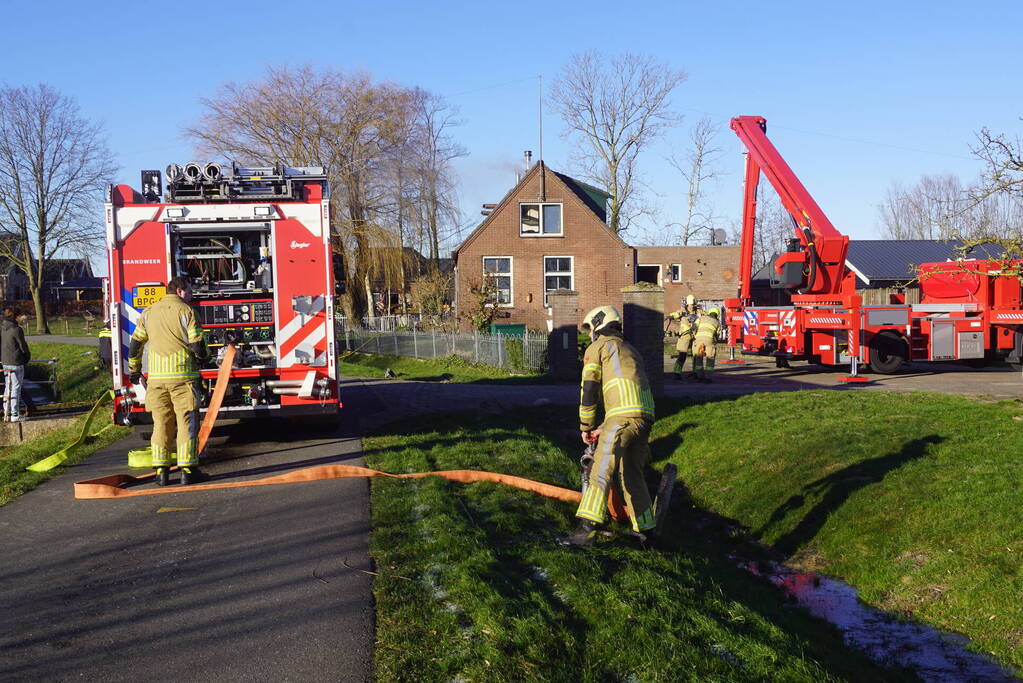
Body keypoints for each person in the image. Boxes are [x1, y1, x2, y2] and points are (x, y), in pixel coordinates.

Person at [560, 305, 657, 547]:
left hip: (622, 419)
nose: (589, 335)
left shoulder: (599, 347)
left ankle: (586, 529)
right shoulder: (630, 349)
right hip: (644, 418)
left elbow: (589, 389)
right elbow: (627, 396)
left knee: (601, 468)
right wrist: (604, 426)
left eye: (590, 330)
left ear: (598, 326)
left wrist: (586, 425)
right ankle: (646, 532)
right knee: (632, 475)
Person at [126, 276, 210, 486]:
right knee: (186, 423)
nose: (192, 295)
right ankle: (188, 470)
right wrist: (205, 358)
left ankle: (161, 472)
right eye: (190, 290)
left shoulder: (148, 312)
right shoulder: (187, 311)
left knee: (161, 424)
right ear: (180, 290)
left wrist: (134, 370)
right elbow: (198, 346)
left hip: (156, 381)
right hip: (183, 378)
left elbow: (135, 345)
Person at [1, 307, 30, 422]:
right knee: (16, 387)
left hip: (5, 361)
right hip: (16, 362)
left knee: (7, 387)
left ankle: (6, 412)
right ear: (16, 316)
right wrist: (26, 357)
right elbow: (23, 346)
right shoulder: (17, 329)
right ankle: (15, 413)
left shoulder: (3, 328)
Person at [665, 294, 702, 380]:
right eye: (690, 305)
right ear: (687, 304)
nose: (691, 306)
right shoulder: (682, 311)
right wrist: (670, 316)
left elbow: (705, 316)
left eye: (692, 305)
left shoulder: (699, 312)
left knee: (696, 355)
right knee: (682, 355)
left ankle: (695, 373)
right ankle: (677, 372)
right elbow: (676, 314)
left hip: (695, 335)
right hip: (685, 335)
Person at [692, 307, 721, 383]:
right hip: (709, 340)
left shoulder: (701, 318)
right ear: (717, 315)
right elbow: (717, 336)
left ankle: (699, 377)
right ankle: (708, 378)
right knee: (710, 359)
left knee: (698, 358)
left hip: (698, 339)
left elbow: (694, 327)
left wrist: (694, 337)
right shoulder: (717, 322)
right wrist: (714, 343)